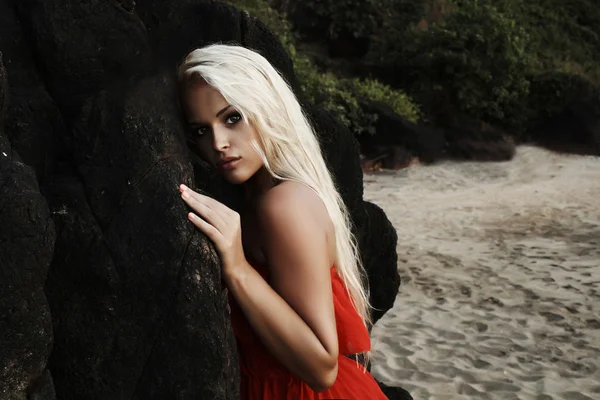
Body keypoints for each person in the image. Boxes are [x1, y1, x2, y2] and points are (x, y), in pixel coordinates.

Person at [177, 43, 388, 399]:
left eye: (232, 118)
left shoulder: (283, 203)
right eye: (200, 130)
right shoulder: (258, 198)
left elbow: (322, 367)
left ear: (266, 108)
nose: (218, 142)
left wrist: (238, 268)